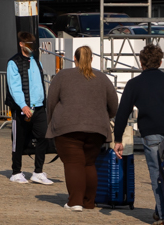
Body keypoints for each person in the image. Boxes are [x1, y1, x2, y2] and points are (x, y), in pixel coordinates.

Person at [114, 43, 164, 225]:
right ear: (161, 61)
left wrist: (117, 139)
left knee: (157, 174)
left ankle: (163, 216)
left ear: (141, 63)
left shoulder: (134, 84)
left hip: (151, 134)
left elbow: (122, 113)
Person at [46, 45, 119, 211]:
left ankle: (75, 202)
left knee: (73, 163)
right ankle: (88, 202)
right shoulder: (102, 78)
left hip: (67, 126)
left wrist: (51, 123)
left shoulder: (62, 76)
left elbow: (51, 102)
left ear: (75, 59)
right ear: (92, 59)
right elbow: (114, 104)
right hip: (97, 128)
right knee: (88, 164)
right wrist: (105, 117)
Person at [5, 31, 54, 185]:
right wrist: (23, 105)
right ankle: (16, 171)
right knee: (18, 140)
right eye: (29, 45)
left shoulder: (37, 61)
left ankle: (38, 172)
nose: (32, 48)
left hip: (39, 107)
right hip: (22, 108)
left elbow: (39, 84)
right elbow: (14, 87)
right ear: (21, 44)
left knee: (43, 137)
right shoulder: (13, 62)